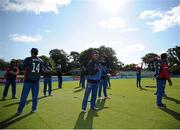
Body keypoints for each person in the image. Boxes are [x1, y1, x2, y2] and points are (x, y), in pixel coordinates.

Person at [16, 48, 43, 115]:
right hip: (36, 81)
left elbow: (23, 67)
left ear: (31, 52)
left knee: (24, 96)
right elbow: (41, 71)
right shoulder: (41, 60)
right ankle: (34, 109)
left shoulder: (28, 59)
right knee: (35, 96)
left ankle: (20, 111)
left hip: (28, 80)